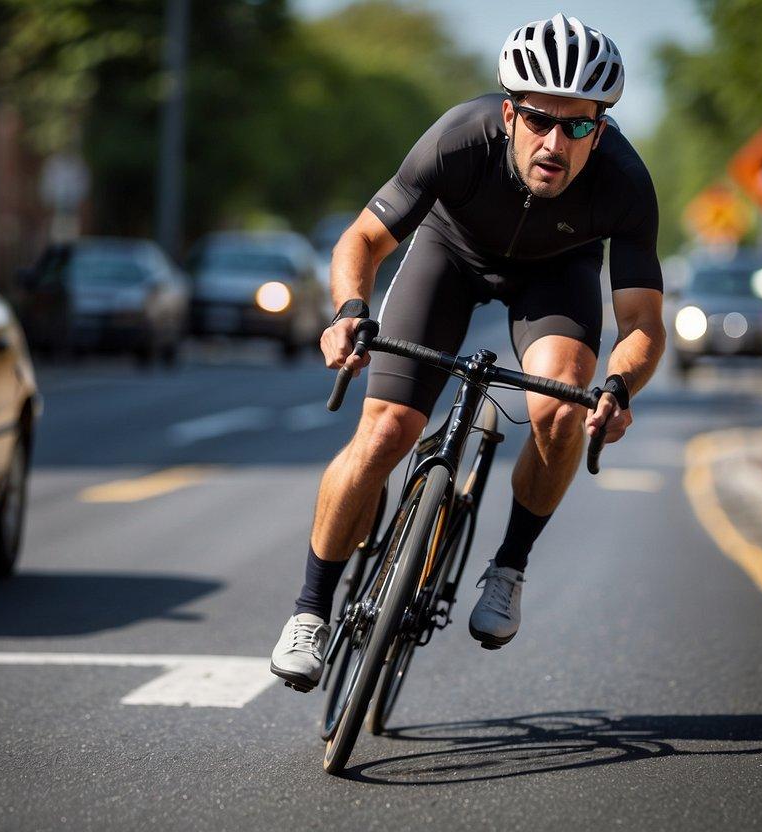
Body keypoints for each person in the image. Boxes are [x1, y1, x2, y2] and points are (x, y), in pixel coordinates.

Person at [270, 13, 667, 690]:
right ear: (508, 114)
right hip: (446, 255)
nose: (553, 142)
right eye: (539, 120)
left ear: (597, 131)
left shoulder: (623, 184)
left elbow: (641, 320)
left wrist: (618, 387)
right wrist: (347, 314)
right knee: (386, 430)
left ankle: (508, 568)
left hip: (556, 272)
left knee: (558, 410)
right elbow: (361, 240)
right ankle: (310, 611)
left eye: (575, 127)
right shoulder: (459, 138)